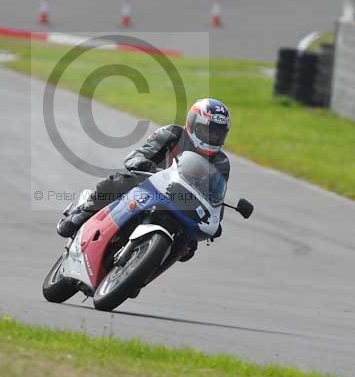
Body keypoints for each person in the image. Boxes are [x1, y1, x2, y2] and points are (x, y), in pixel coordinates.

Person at [56, 98, 232, 261]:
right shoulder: (172, 133)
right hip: (151, 185)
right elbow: (137, 156)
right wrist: (144, 164)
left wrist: (215, 223)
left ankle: (139, 273)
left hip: (183, 204)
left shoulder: (221, 163)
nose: (212, 138)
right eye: (208, 131)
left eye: (217, 134)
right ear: (193, 124)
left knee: (188, 247)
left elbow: (216, 199)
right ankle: (83, 212)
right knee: (118, 182)